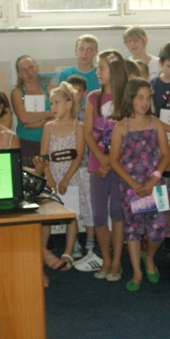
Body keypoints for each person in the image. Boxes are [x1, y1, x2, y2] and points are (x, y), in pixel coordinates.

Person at [109, 78, 170, 292]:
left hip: (155, 184)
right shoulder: (121, 127)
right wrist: (133, 183)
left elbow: (165, 155)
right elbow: (113, 160)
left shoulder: (156, 124)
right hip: (131, 186)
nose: (144, 102)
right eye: (140, 97)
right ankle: (137, 271)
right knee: (133, 230)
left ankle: (149, 257)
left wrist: (154, 179)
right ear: (131, 99)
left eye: (148, 98)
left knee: (160, 229)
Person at [84, 49, 128, 281]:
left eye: (101, 67)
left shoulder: (127, 99)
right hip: (97, 164)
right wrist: (102, 160)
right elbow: (87, 133)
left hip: (120, 165)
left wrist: (111, 162)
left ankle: (117, 262)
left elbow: (130, 134)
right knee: (99, 214)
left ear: (114, 70)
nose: (97, 72)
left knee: (117, 213)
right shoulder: (93, 98)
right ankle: (106, 259)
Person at [40, 82, 85, 270]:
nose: (53, 107)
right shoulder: (48, 127)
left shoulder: (78, 127)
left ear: (69, 103)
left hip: (70, 177)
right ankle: (42, 250)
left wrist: (66, 179)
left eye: (57, 103)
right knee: (46, 217)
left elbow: (79, 155)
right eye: (51, 103)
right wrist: (49, 176)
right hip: (52, 176)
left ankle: (68, 253)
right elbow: (43, 155)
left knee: (71, 216)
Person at [65, 74, 95, 259]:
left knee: (90, 204)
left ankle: (90, 240)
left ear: (84, 93)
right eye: (71, 91)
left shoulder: (87, 114)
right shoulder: (65, 114)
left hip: (86, 166)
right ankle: (73, 241)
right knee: (71, 206)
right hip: (69, 168)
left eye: (78, 91)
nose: (74, 95)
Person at [11, 55, 53, 159]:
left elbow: (59, 116)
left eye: (31, 67)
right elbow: (24, 118)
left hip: (50, 140)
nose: (28, 72)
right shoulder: (17, 92)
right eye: (23, 70)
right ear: (19, 74)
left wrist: (39, 124)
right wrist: (49, 113)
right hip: (26, 143)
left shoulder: (50, 89)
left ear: (37, 68)